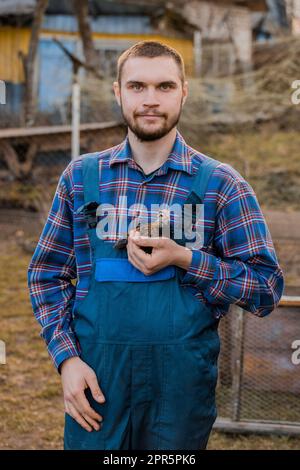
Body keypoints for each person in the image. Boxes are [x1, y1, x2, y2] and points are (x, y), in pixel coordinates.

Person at [28, 40, 284, 450]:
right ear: (118, 92)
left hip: (179, 390)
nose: (150, 100)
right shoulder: (81, 178)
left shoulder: (221, 185)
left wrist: (186, 259)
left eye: (164, 86)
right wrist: (67, 360)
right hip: (97, 383)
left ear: (184, 91)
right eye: (137, 87)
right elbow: (46, 275)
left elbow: (266, 289)